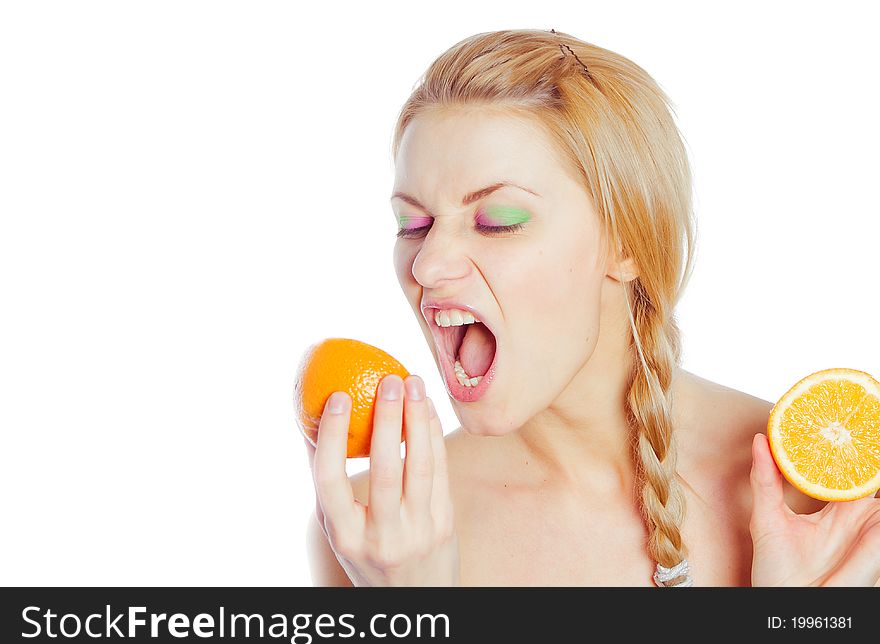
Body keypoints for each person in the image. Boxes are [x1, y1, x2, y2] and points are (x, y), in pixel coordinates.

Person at [302, 29, 880, 586]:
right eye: (413, 224)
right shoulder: (374, 534)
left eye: (496, 221)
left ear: (628, 239)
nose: (426, 267)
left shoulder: (830, 480)